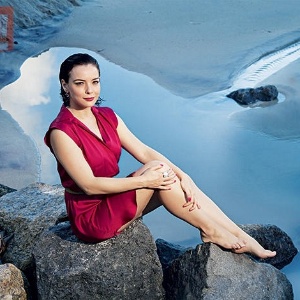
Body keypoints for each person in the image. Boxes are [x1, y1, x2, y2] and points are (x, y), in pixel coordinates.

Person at [44, 53, 276, 259]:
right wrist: (146, 181)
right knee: (159, 176)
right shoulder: (61, 131)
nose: (89, 90)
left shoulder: (106, 116)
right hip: (91, 216)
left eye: (95, 82)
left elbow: (143, 151)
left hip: (112, 197)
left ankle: (240, 234)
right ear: (65, 85)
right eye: (79, 83)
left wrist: (184, 175)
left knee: (164, 171)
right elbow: (89, 186)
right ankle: (210, 230)